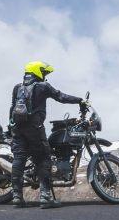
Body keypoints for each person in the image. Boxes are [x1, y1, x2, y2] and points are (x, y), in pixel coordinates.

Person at [9, 60, 84, 209]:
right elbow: (61, 97)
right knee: (43, 158)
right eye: (43, 72)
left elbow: (12, 108)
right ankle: (45, 197)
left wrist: (11, 127)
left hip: (17, 128)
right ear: (37, 71)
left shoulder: (17, 87)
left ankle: (17, 197)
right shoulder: (42, 87)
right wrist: (80, 100)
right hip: (34, 128)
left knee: (19, 160)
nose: (44, 76)